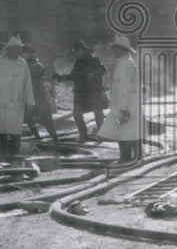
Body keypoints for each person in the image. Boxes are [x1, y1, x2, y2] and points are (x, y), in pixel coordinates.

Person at [0, 35, 35, 159]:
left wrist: (30, 102)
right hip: (0, 102)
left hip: (16, 104)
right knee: (0, 131)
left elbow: (28, 84)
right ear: (9, 49)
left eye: (19, 49)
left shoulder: (23, 64)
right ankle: (0, 158)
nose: (18, 51)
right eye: (16, 49)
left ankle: (14, 157)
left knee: (15, 132)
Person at [97, 34, 141, 163]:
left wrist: (123, 108)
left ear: (122, 50)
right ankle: (134, 157)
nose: (114, 51)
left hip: (126, 104)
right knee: (128, 131)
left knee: (125, 132)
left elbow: (124, 88)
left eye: (116, 48)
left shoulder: (126, 64)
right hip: (127, 103)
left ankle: (127, 158)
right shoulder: (126, 62)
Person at [55, 40, 108, 142]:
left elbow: (102, 70)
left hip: (93, 91)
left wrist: (92, 74)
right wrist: (61, 77)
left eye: (79, 50)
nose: (77, 52)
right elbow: (73, 76)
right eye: (76, 51)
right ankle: (83, 135)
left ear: (84, 50)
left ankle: (101, 135)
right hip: (80, 92)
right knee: (77, 113)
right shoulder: (78, 62)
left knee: (98, 113)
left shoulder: (94, 60)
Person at [21, 44, 59, 141]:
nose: (25, 54)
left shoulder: (35, 65)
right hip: (27, 95)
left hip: (38, 94)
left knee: (46, 118)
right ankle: (38, 137)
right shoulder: (22, 64)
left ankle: (55, 139)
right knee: (29, 119)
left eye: (27, 52)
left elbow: (40, 74)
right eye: (24, 52)